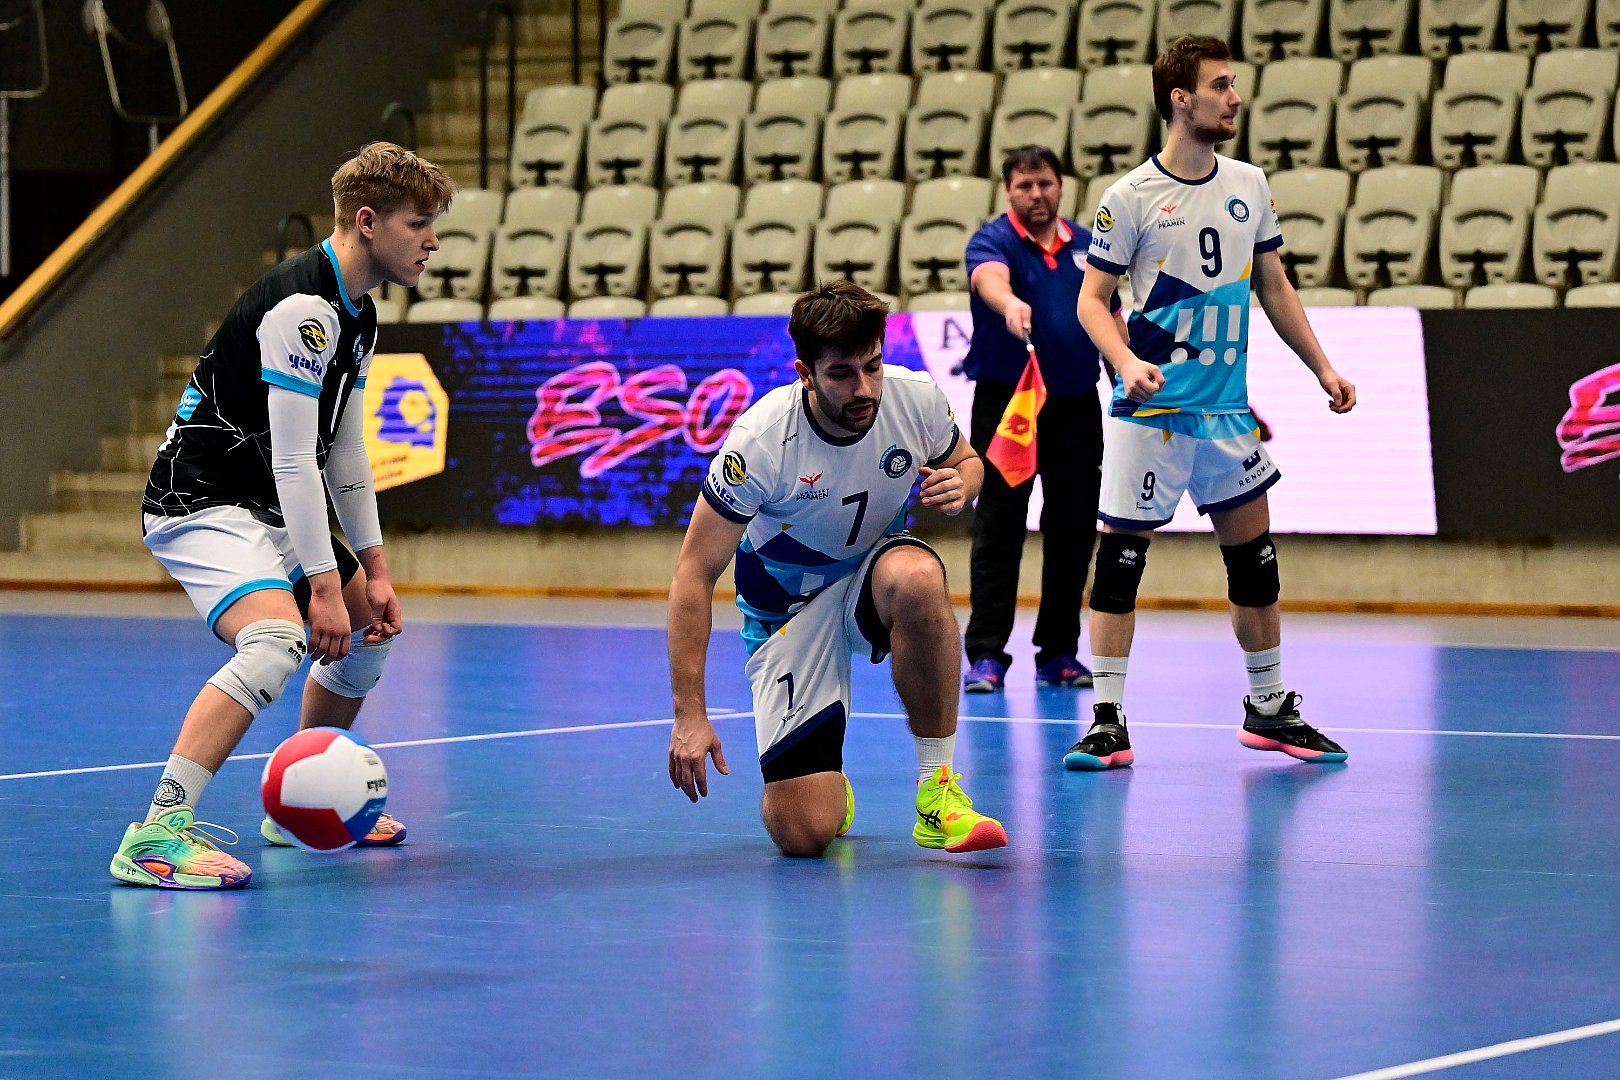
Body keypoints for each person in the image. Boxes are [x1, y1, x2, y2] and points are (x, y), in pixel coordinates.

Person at [109, 142, 454, 889]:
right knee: (275, 640)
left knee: (371, 630)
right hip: (200, 498)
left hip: (264, 502)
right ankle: (155, 835)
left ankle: (301, 803)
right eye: (418, 224)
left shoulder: (358, 314)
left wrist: (374, 571)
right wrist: (323, 588)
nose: (432, 241)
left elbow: (344, 452)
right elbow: (297, 461)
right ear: (367, 221)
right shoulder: (303, 309)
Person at [1068, 35, 1356, 771]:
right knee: (1119, 563)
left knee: (1255, 563)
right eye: (1221, 85)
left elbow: (1274, 285)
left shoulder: (1250, 184)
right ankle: (1107, 721)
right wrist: (1125, 361)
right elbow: (1092, 302)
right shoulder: (1129, 197)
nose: (1235, 97)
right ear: (1181, 99)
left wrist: (1322, 367)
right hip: (1152, 413)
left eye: (1233, 84)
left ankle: (1269, 708)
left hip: (1227, 412)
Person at [666, 280, 1008, 858]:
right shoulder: (760, 442)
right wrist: (689, 715)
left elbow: (968, 460)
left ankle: (937, 791)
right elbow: (693, 575)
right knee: (805, 834)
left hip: (870, 578)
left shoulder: (916, 400)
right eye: (842, 374)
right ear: (805, 372)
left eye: (873, 366)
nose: (864, 388)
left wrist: (965, 482)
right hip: (786, 612)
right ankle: (824, 782)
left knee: (919, 578)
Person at [960, 145, 1123, 694]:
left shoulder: (1088, 244)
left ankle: (1058, 653)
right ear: (1008, 191)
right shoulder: (993, 240)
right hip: (1011, 407)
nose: (1036, 194)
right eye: (1025, 186)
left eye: (1045, 184)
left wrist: (1124, 373)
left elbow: (1110, 313)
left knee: (1073, 530)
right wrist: (1009, 304)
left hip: (1076, 404)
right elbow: (989, 278)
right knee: (999, 528)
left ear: (1061, 186)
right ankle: (986, 655)